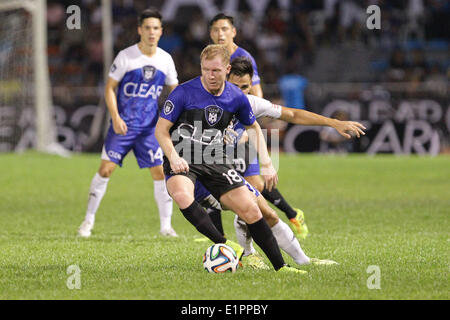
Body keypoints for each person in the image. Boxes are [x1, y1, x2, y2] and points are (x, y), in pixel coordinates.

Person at [194, 57, 366, 268]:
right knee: (251, 205)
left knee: (266, 212)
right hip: (199, 176)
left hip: (221, 172)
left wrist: (333, 122)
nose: (240, 91)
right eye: (234, 86)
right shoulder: (202, 103)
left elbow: (292, 114)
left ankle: (302, 260)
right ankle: (247, 255)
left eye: (245, 87)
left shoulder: (249, 103)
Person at [155, 44, 304, 273]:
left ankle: (281, 267)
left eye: (215, 70)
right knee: (182, 194)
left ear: (227, 69)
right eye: (206, 70)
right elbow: (161, 130)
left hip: (214, 159)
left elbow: (253, 127)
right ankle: (225, 245)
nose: (210, 75)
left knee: (252, 210)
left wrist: (266, 163)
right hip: (183, 157)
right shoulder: (184, 92)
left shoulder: (236, 97)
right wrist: (173, 157)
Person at [78, 9, 179, 238]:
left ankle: (165, 226)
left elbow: (176, 92)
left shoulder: (166, 59)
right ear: (139, 30)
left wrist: (173, 118)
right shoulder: (126, 56)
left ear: (161, 31)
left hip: (150, 129)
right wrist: (115, 117)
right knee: (105, 170)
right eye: (147, 28)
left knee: (160, 174)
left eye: (155, 28)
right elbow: (109, 88)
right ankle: (88, 221)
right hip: (122, 125)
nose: (151, 32)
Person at [208, 13, 308, 239]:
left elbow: (256, 93)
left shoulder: (243, 57)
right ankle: (218, 237)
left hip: (240, 129)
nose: (220, 34)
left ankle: (292, 214)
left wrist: (245, 126)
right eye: (215, 30)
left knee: (255, 183)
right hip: (220, 130)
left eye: (224, 29)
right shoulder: (211, 57)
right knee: (212, 177)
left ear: (233, 32)